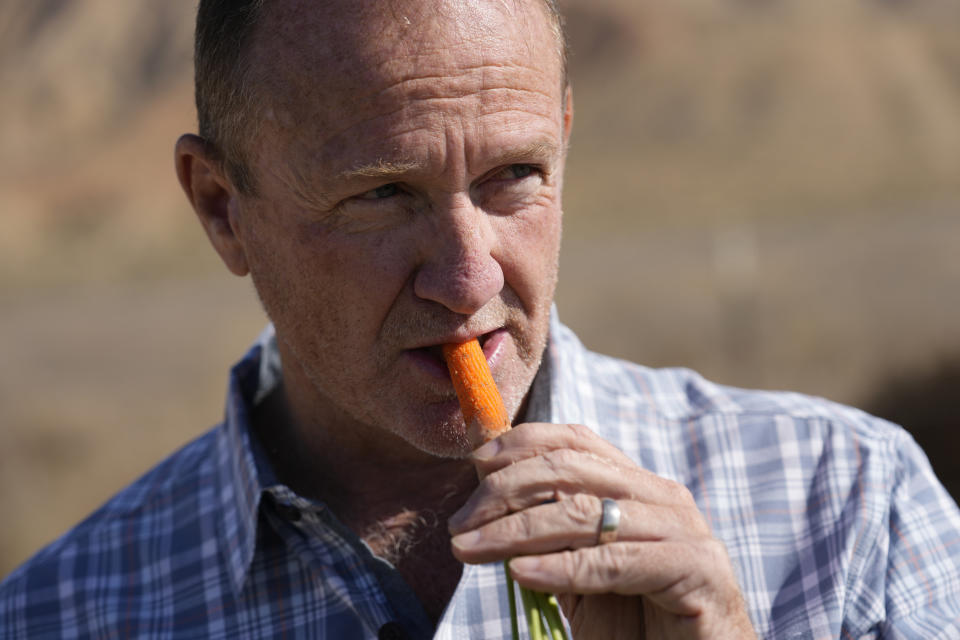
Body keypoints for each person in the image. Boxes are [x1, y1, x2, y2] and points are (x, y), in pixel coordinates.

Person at [2, 0, 959, 637]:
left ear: (566, 145)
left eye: (514, 176)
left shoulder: (846, 509)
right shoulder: (65, 614)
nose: (467, 278)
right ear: (222, 207)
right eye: (381, 193)